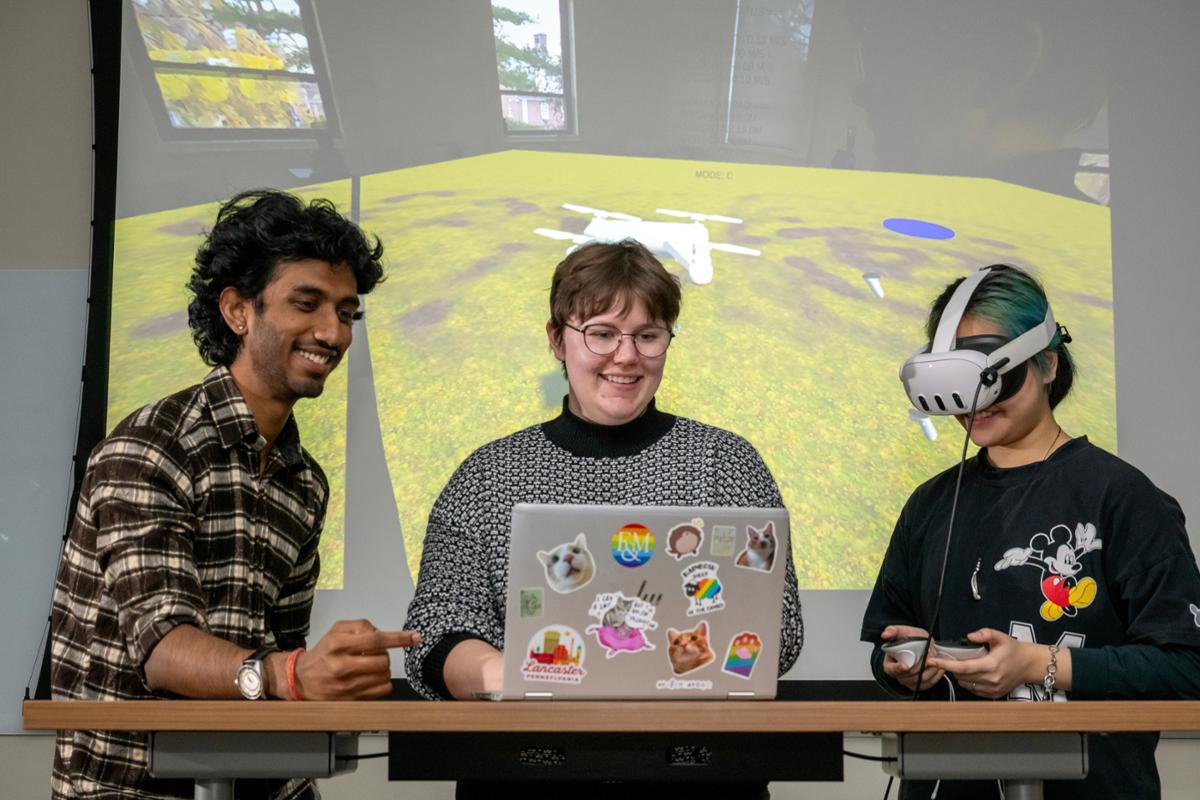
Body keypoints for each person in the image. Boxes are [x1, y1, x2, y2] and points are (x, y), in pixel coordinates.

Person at [50, 189, 421, 800]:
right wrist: (293, 674)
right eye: (308, 303)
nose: (332, 332)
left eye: (347, 312)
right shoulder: (151, 449)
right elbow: (164, 650)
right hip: (129, 789)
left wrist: (328, 678)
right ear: (237, 310)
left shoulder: (304, 482)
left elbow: (282, 656)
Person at [404, 239, 803, 798]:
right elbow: (435, 637)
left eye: (648, 334)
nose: (626, 355)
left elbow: (780, 631)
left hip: (699, 775)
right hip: (527, 776)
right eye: (601, 333)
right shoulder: (488, 475)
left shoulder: (727, 464)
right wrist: (513, 675)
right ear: (556, 341)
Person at [861, 264, 1200, 799]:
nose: (975, 401)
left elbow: (1186, 665)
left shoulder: (1123, 498)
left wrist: (1044, 665)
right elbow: (886, 645)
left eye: (995, 376)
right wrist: (902, 663)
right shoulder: (929, 505)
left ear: (1045, 363)